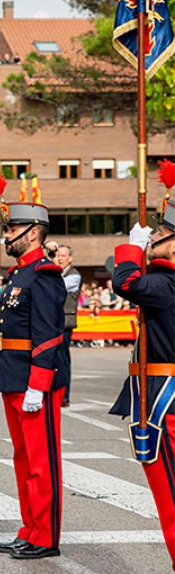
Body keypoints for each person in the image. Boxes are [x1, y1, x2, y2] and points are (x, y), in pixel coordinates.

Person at [0, 178, 67, 560]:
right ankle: (30, 528)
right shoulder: (19, 273)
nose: (7, 235)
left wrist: (39, 385)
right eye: (6, 228)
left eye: (13, 229)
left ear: (34, 233)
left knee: (42, 461)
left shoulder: (45, 275)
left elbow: (50, 335)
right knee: (23, 459)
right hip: (14, 374)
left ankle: (46, 536)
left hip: (37, 380)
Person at [110, 214, 175, 570]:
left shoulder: (166, 285)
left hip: (168, 405)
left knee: (172, 503)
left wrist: (132, 248)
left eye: (161, 233)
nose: (153, 236)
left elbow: (126, 282)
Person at [55, 245, 80, 407]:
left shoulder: (74, 276)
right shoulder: (57, 273)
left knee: (62, 360)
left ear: (70, 258)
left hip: (64, 323)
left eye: (63, 255)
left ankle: (64, 395)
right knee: (52, 360)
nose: (59, 258)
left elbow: (57, 288)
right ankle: (55, 393)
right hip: (52, 322)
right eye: (57, 255)